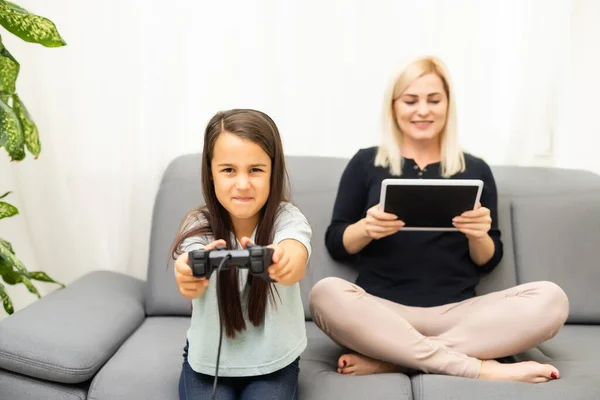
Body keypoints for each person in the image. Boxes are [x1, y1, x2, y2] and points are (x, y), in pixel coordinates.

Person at [309, 56, 569, 383]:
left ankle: (395, 360)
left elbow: (489, 260)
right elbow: (336, 243)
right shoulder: (365, 163)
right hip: (382, 312)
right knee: (324, 293)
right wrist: (366, 229)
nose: (423, 111)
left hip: (458, 315)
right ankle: (479, 367)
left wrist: (478, 235)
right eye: (411, 100)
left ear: (448, 105)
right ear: (394, 106)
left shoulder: (474, 170)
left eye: (434, 100)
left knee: (552, 299)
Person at [171, 109, 311, 399]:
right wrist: (187, 275)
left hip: (275, 363)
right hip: (207, 365)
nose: (243, 184)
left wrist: (283, 261)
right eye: (228, 170)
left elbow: (295, 254)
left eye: (256, 169)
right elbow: (188, 263)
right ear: (210, 173)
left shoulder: (288, 218)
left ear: (274, 171)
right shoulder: (198, 224)